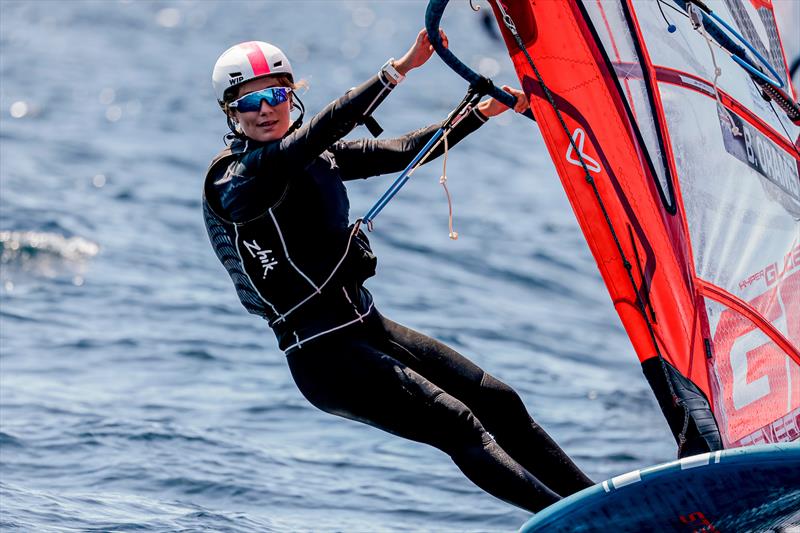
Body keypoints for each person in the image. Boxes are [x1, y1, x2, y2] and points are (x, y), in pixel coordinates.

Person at [202, 30, 593, 513]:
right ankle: (588, 523)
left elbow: (403, 149)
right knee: (460, 425)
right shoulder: (236, 181)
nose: (266, 109)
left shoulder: (316, 158)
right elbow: (320, 131)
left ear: (291, 96)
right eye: (251, 101)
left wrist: (477, 114)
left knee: (499, 401)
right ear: (231, 112)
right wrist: (399, 69)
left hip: (366, 326)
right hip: (325, 358)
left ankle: (604, 503)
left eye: (277, 94)